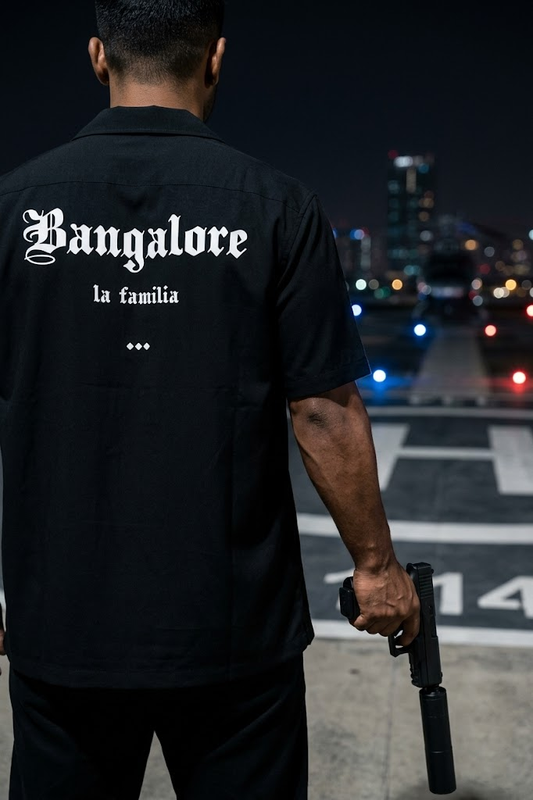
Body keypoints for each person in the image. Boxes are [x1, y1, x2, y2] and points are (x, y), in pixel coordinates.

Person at [0, 1, 420, 797]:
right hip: (232, 627)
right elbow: (321, 407)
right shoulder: (275, 204)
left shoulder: (14, 205)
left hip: (63, 624)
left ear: (98, 57)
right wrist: (375, 567)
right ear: (216, 59)